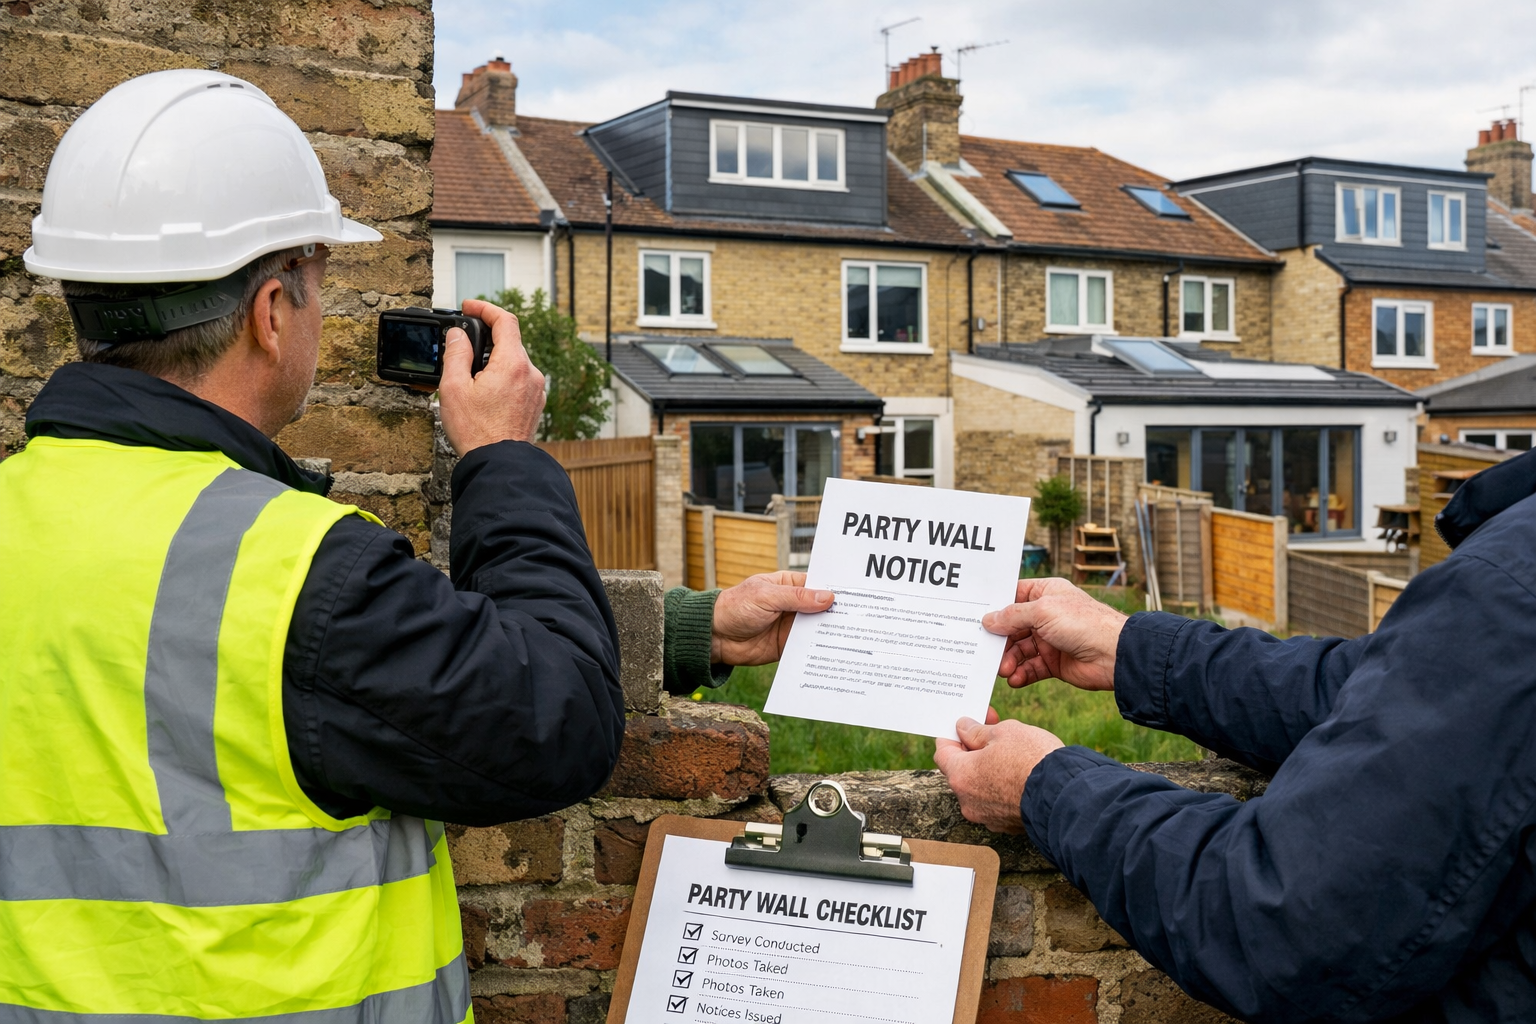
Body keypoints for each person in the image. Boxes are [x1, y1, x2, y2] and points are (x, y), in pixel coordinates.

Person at [1, 68, 828, 1023]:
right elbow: (555, 718)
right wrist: (501, 456)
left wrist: (691, 629)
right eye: (316, 280)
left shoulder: (32, 516)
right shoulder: (293, 570)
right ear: (272, 314)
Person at [935, 449, 1536, 1023]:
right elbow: (1360, 689)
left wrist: (1046, 787)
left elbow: (1287, 921)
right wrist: (1128, 647)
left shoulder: (1513, 583)